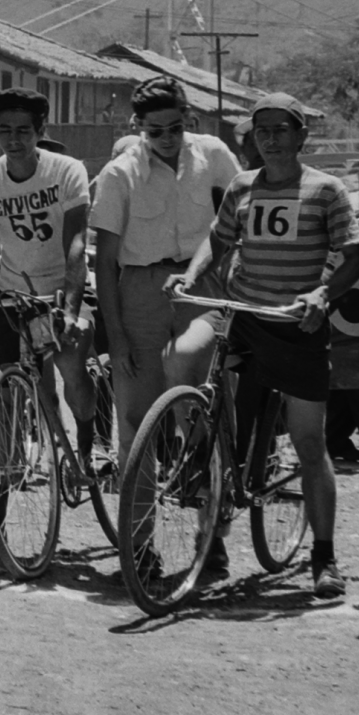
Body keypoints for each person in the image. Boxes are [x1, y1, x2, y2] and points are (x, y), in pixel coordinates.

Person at [170, 94, 359, 598]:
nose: (272, 139)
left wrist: (323, 293)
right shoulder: (241, 186)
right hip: (246, 321)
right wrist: (190, 276)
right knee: (221, 430)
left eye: (282, 129)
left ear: (302, 136)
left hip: (297, 328)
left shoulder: (326, 190)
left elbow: (352, 254)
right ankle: (211, 535)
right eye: (263, 131)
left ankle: (324, 557)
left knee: (308, 441)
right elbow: (218, 241)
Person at [90, 77, 242, 465]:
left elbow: (241, 215)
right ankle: (138, 524)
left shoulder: (213, 154)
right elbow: (105, 263)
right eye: (155, 131)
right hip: (140, 292)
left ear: (188, 118)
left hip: (202, 286)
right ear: (137, 126)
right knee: (135, 419)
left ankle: (210, 478)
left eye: (176, 127)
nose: (167, 138)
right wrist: (117, 338)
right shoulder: (119, 174)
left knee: (191, 371)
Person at [0, 89, 98, 494]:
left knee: (71, 369)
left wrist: (71, 309)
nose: (13, 140)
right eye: (4, 130)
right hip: (12, 296)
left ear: (41, 130)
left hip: (61, 292)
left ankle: (86, 450)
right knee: (1, 394)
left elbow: (76, 243)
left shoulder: (67, 171)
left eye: (24, 130)